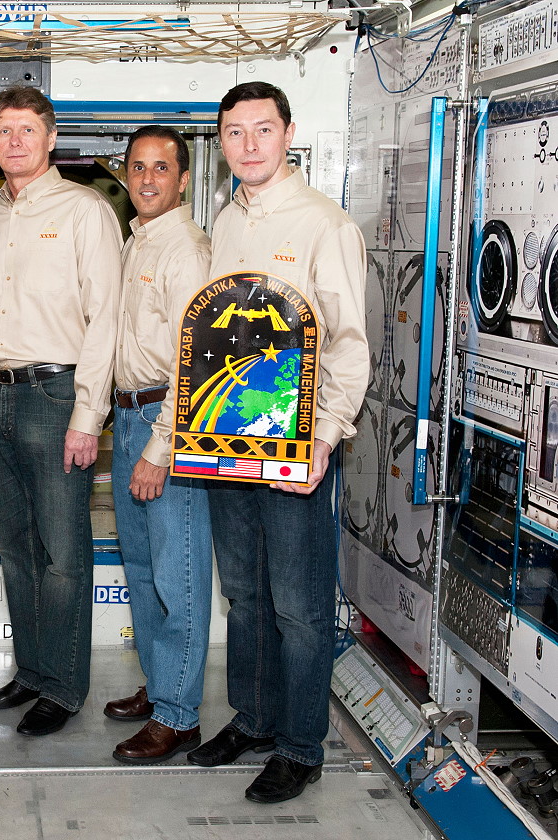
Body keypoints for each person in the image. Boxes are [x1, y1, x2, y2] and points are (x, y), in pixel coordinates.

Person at [187, 82, 368, 803]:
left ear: (288, 133)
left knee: (298, 604)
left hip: (295, 445)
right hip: (225, 439)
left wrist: (325, 437)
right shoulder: (226, 223)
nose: (249, 144)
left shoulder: (326, 224)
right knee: (244, 593)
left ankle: (299, 745)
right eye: (234, 132)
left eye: (262, 129)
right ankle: (255, 718)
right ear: (222, 142)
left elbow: (348, 344)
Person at [0, 86, 122, 736]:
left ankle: (63, 686)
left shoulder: (86, 211)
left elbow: (105, 318)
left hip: (55, 395)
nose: (14, 141)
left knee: (62, 553)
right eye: (3, 130)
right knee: (12, 545)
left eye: (27, 129)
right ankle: (30, 672)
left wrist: (88, 415)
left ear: (51, 138)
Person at [105, 126, 213, 764]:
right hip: (128, 415)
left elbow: (194, 363)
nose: (148, 179)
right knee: (143, 569)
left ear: (183, 178)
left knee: (180, 573)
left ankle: (179, 714)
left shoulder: (187, 251)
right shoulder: (137, 241)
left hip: (164, 421)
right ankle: (160, 685)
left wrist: (159, 447)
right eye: (138, 167)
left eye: (161, 168)